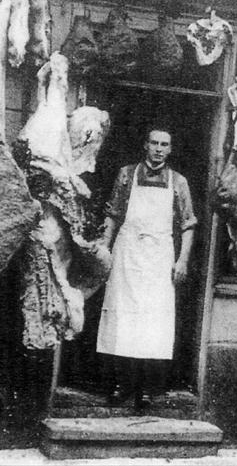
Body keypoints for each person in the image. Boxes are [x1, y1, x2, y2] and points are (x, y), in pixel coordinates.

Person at [95, 127, 197, 410]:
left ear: (171, 149)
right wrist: (104, 248)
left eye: (165, 144)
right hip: (127, 253)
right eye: (154, 142)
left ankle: (146, 390)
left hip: (159, 258)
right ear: (145, 145)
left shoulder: (178, 182)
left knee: (153, 323)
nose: (158, 149)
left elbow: (189, 225)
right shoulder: (127, 174)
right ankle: (121, 385)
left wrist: (183, 260)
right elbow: (113, 214)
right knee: (124, 320)